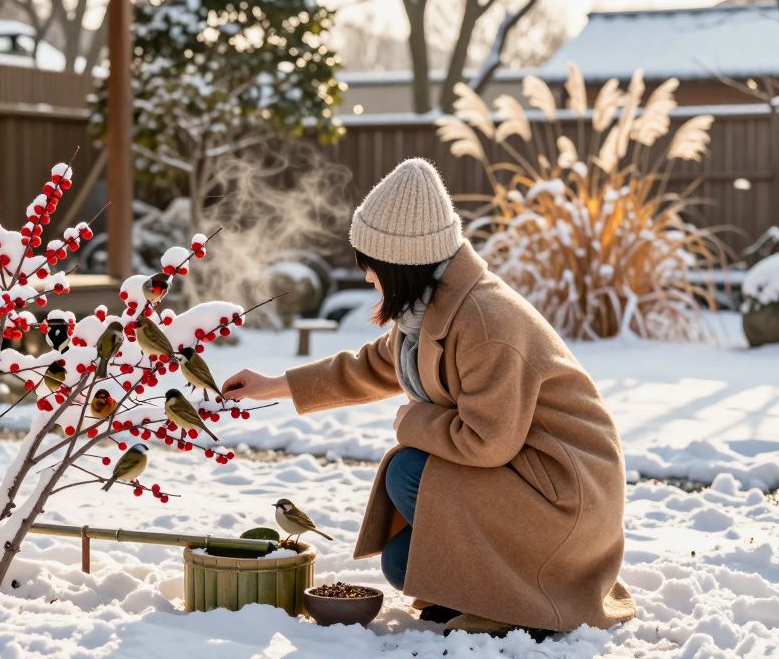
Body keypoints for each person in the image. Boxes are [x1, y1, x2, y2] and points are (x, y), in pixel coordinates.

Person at [224, 158, 636, 635]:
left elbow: (486, 442)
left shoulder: (485, 323)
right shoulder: (431, 310)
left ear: (402, 266)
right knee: (404, 563)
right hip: (522, 479)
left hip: (563, 495)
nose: (367, 279)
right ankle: (496, 595)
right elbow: (374, 365)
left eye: (372, 268)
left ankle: (520, 606)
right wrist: (274, 384)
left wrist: (410, 424)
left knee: (407, 469)